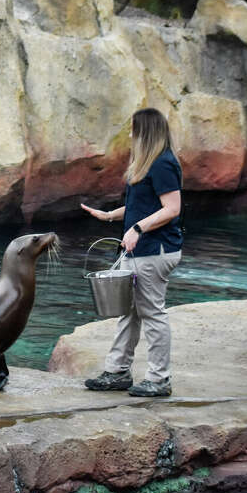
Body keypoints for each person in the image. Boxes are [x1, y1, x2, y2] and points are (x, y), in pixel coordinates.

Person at [81, 107, 183, 397]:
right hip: (142, 251)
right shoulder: (147, 163)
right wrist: (110, 216)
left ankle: (159, 379)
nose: (129, 134)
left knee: (152, 313)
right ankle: (117, 371)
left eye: (133, 129)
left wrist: (137, 230)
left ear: (145, 132)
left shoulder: (163, 163)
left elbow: (172, 209)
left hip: (155, 250)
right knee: (129, 311)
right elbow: (145, 206)